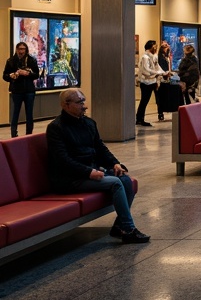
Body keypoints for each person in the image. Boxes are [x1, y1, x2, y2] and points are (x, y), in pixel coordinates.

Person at [46, 88, 149, 242]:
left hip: (91, 171)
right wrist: (89, 172)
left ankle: (119, 227)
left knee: (126, 180)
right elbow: (62, 160)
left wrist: (115, 163)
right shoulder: (56, 128)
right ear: (65, 105)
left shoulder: (89, 123)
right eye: (79, 102)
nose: (84, 106)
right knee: (115, 183)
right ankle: (128, 229)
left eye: (83, 101)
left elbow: (100, 148)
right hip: (70, 178)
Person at [4, 40, 40, 138]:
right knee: (15, 112)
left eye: (23, 49)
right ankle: (13, 134)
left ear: (26, 50)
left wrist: (28, 74)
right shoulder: (10, 61)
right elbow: (5, 76)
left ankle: (29, 134)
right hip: (16, 90)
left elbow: (36, 75)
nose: (21, 51)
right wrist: (11, 75)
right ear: (16, 49)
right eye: (20, 49)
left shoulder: (32, 60)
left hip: (29, 90)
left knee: (29, 113)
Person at [135, 39, 160, 127]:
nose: (156, 48)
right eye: (155, 46)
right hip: (146, 82)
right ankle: (139, 118)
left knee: (151, 100)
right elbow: (146, 70)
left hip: (152, 80)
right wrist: (156, 73)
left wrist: (162, 73)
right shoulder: (145, 57)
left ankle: (140, 118)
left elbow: (157, 67)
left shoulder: (154, 56)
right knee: (144, 100)